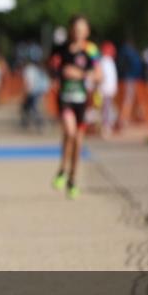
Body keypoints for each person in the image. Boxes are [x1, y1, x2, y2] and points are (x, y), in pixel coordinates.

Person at [49, 15, 101, 200]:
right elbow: (52, 70)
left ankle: (72, 178)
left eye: (82, 29)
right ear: (70, 30)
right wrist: (56, 77)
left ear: (87, 31)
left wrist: (79, 74)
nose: (78, 33)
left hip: (83, 101)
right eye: (75, 29)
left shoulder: (91, 51)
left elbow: (98, 75)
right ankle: (62, 168)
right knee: (69, 133)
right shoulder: (60, 50)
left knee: (78, 141)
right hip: (65, 99)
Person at [117, 38, 144, 128]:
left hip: (126, 79)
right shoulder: (131, 53)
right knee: (127, 100)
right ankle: (123, 120)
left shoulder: (124, 52)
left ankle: (125, 119)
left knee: (127, 100)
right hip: (130, 79)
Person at [21, 47, 48, 132]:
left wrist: (26, 92)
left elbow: (28, 82)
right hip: (39, 92)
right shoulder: (42, 69)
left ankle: (38, 123)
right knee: (34, 108)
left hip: (33, 92)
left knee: (33, 108)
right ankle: (35, 123)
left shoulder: (29, 69)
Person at [99, 41, 119, 139]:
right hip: (105, 89)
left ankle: (106, 126)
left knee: (106, 109)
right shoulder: (106, 61)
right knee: (105, 109)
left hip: (106, 89)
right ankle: (105, 127)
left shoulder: (106, 61)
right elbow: (104, 76)